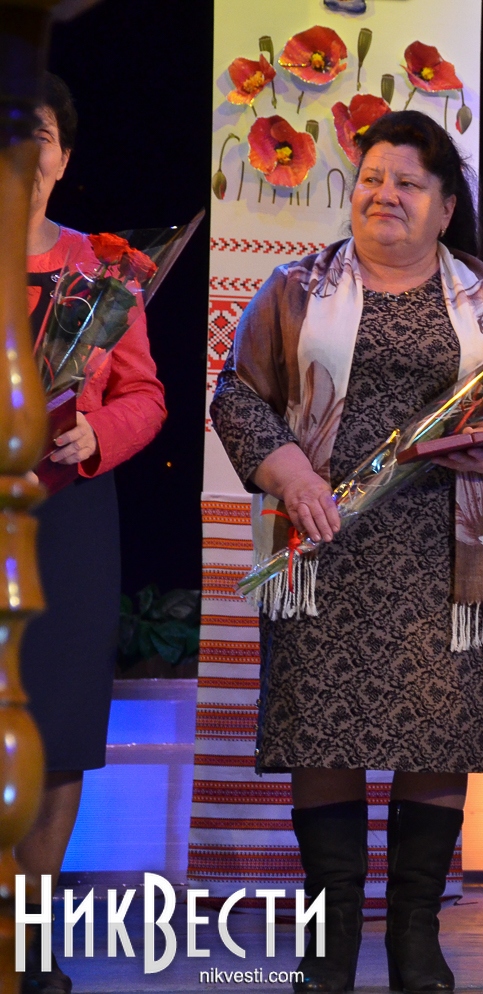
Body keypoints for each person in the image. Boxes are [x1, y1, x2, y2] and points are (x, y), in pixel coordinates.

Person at [210, 111, 483, 994]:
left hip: (452, 557)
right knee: (323, 733)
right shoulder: (294, 287)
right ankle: (329, 946)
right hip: (325, 545)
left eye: (408, 183)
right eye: (371, 178)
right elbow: (238, 396)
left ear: (445, 207)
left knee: (439, 733)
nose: (385, 195)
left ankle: (415, 940)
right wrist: (290, 472)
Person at [18, 71, 168, 994]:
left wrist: (97, 434)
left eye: (38, 134)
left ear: (64, 158)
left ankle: (31, 946)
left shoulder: (104, 272)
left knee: (61, 728)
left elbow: (146, 396)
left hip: (70, 512)